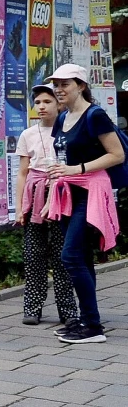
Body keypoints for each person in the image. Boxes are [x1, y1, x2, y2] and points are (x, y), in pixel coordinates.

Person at [45, 63, 124, 344]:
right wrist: (53, 191)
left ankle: (93, 328)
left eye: (65, 84)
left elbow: (117, 155)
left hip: (91, 192)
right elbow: (61, 157)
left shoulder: (95, 115)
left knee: (70, 256)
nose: (58, 89)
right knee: (81, 257)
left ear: (80, 86)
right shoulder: (62, 118)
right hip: (69, 192)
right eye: (56, 84)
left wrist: (77, 169)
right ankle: (88, 320)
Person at [14, 84, 77, 326]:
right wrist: (19, 208)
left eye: (47, 101)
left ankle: (67, 310)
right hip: (35, 195)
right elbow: (22, 173)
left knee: (63, 255)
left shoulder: (69, 130)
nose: (41, 106)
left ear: (59, 104)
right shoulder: (28, 134)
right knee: (33, 254)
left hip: (62, 194)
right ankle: (32, 307)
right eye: (38, 102)